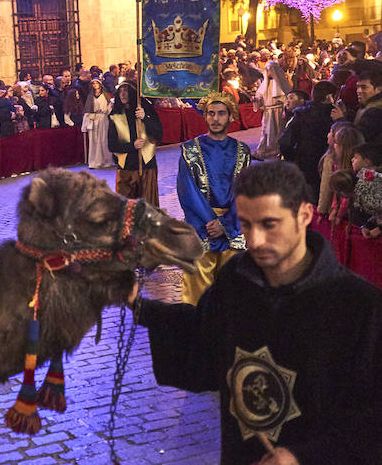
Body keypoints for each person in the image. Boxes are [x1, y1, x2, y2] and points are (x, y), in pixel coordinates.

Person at [134, 161, 382, 464]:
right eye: (246, 224)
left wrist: (301, 456)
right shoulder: (236, 280)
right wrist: (139, 305)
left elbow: (372, 420)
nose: (255, 240)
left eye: (269, 224)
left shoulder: (358, 305)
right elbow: (203, 334)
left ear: (304, 215)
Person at [177, 93, 251, 304]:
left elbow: (245, 193)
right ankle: (197, 331)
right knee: (196, 292)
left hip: (232, 228)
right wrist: (212, 223)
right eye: (211, 114)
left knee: (232, 291)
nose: (215, 119)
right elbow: (187, 191)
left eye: (221, 114)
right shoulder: (189, 150)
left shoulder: (242, 151)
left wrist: (226, 224)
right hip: (201, 227)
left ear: (230, 116)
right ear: (205, 116)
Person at [279, 81, 336, 203]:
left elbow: (285, 142)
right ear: (329, 96)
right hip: (328, 164)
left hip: (305, 163)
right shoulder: (334, 115)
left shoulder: (301, 114)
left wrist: (293, 158)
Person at [108, 82, 162, 206]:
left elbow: (158, 134)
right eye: (120, 91)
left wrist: (145, 118)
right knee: (126, 208)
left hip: (146, 166)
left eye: (126, 90)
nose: (123, 94)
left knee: (148, 206)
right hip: (126, 167)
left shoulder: (145, 109)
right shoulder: (114, 115)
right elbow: (112, 145)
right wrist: (132, 146)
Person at [254, 57, 292, 160]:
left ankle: (275, 150)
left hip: (277, 112)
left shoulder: (280, 84)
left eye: (269, 69)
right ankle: (262, 150)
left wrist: (285, 109)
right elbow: (261, 99)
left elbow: (286, 99)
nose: (267, 71)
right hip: (268, 111)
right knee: (265, 131)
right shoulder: (265, 83)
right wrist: (256, 100)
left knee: (277, 132)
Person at [82, 79, 112, 169]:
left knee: (103, 139)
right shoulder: (91, 96)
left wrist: (109, 107)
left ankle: (106, 161)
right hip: (93, 119)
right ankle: (94, 162)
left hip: (103, 118)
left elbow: (109, 107)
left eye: (96, 83)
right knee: (94, 140)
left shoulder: (105, 95)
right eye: (93, 83)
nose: (95, 85)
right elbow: (87, 110)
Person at [352, 60, 382, 143]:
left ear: (378, 90)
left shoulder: (375, 112)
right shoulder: (367, 105)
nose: (359, 91)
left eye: (364, 87)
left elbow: (358, 138)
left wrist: (340, 120)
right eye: (357, 87)